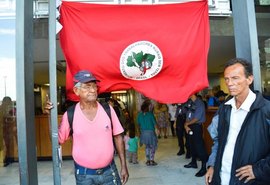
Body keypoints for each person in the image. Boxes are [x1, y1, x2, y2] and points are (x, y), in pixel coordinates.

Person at [45, 70, 129, 185]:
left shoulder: (107, 110)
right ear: (76, 90)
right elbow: (56, 140)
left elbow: (118, 137)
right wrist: (49, 116)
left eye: (94, 86)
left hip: (110, 172)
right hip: (84, 176)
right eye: (87, 86)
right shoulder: (71, 114)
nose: (93, 90)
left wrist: (124, 166)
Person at [205, 58, 270, 185]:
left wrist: (258, 170)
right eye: (227, 79)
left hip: (251, 181)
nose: (229, 83)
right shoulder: (224, 109)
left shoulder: (266, 110)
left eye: (235, 78)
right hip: (221, 179)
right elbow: (218, 140)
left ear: (249, 79)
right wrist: (212, 165)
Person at [183, 94, 208, 177]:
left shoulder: (199, 103)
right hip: (190, 126)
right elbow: (188, 114)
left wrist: (187, 124)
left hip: (196, 126)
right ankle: (193, 163)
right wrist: (186, 124)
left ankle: (204, 168)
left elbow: (197, 118)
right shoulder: (189, 102)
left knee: (199, 146)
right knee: (191, 145)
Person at [137, 101, 158, 166]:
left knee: (147, 146)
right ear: (147, 108)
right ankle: (152, 160)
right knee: (152, 146)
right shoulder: (150, 114)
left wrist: (139, 134)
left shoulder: (139, 115)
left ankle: (148, 161)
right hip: (151, 133)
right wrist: (158, 130)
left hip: (143, 133)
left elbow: (138, 125)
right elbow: (155, 124)